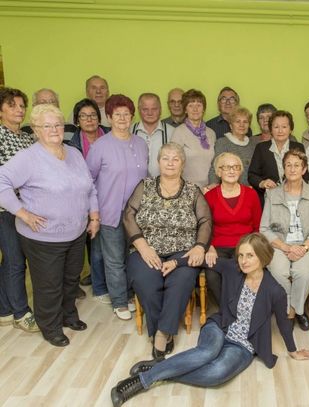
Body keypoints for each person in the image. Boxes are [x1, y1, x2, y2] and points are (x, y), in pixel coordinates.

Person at [110, 233, 309, 407]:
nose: (243, 261)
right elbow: (200, 260)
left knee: (216, 373)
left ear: (263, 257)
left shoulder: (275, 291)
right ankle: (141, 381)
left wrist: (293, 351)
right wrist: (175, 262)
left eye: (250, 256)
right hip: (220, 326)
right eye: (241, 255)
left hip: (243, 345)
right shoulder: (232, 269)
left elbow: (283, 324)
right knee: (207, 352)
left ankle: (159, 369)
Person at [0, 104, 100, 347]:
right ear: (35, 129)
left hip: (75, 232)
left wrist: (94, 216)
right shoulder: (28, 158)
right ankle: (51, 326)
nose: (54, 129)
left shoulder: (74, 153)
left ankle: (68, 315)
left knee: (70, 279)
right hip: (43, 236)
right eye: (47, 125)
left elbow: (90, 187)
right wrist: (22, 213)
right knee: (49, 284)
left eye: (57, 124)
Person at [124, 143, 212, 359]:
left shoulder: (192, 190)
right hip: (146, 249)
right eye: (165, 158)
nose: (170, 162)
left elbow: (205, 221)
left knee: (179, 283)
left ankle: (162, 333)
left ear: (182, 164)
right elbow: (128, 216)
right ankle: (163, 330)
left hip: (182, 251)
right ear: (158, 162)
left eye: (175, 159)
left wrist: (200, 247)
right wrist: (143, 247)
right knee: (146, 281)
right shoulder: (144, 186)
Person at [86, 94, 148, 320]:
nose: (122, 118)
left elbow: (146, 179)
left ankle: (130, 295)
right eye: (117, 114)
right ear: (109, 117)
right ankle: (119, 301)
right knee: (114, 259)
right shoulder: (100, 146)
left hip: (138, 214)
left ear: (132, 116)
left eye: (126, 114)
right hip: (110, 212)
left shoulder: (141, 143)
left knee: (133, 257)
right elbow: (88, 181)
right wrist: (94, 212)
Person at [260, 150, 309, 330]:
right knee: (279, 272)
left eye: (297, 165)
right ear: (283, 168)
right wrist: (286, 247)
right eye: (289, 165)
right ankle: (294, 310)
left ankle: (293, 311)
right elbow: (264, 229)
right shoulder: (273, 194)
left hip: (307, 246)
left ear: (304, 170)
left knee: (303, 273)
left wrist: (303, 248)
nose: (292, 169)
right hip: (279, 245)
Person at [0, 87, 38, 333]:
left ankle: (4, 309)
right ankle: (21, 313)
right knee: (15, 261)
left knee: (11, 260)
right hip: (6, 210)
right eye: (12, 105)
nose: (19, 109)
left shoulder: (26, 137)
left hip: (26, 208)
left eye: (22, 105)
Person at [204, 152, 262, 302]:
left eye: (236, 167)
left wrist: (253, 249)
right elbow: (204, 226)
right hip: (218, 247)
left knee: (242, 271)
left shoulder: (251, 194)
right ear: (219, 171)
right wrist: (209, 247)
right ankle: (228, 309)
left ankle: (241, 308)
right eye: (227, 167)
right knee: (212, 275)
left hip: (245, 246)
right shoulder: (209, 196)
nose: (231, 171)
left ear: (240, 171)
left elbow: (257, 226)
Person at [69, 98, 109, 291]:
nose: (89, 119)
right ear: (77, 121)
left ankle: (107, 276)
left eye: (93, 115)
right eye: (83, 116)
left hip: (110, 193)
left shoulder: (111, 135)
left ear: (99, 118)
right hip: (84, 198)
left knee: (111, 239)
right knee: (91, 239)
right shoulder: (72, 144)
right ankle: (96, 276)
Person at [248, 110, 307, 205]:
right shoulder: (261, 148)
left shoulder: (298, 147)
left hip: (294, 199)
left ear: (290, 129)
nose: (280, 131)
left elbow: (305, 175)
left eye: (284, 127)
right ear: (271, 129)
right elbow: (252, 175)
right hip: (268, 200)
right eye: (276, 127)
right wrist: (262, 183)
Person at [170, 89, 216, 189]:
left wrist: (212, 185)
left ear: (203, 109)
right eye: (191, 105)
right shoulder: (179, 132)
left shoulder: (211, 133)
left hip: (209, 189)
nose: (195, 109)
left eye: (199, 105)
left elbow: (214, 163)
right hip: (186, 189)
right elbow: (173, 164)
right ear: (185, 109)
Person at [207, 106, 257, 189]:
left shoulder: (254, 144)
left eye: (245, 122)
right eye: (238, 121)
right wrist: (213, 185)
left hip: (250, 192)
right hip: (228, 191)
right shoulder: (223, 143)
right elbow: (215, 168)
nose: (242, 125)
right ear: (230, 125)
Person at [131, 93, 174, 177]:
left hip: (164, 187)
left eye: (154, 109)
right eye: (145, 109)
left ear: (160, 110)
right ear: (139, 110)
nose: (150, 113)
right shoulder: (129, 131)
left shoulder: (172, 132)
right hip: (134, 186)